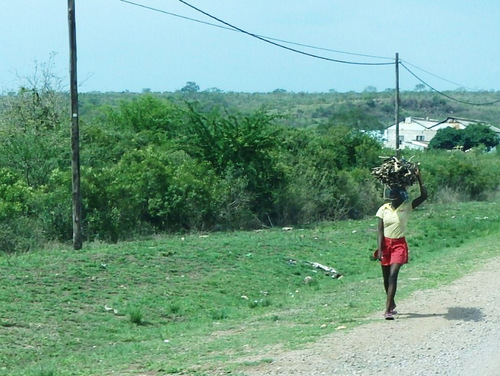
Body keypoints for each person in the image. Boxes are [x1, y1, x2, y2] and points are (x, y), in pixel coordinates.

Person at [375, 169, 427, 320]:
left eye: (395, 196)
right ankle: (392, 303)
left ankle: (387, 310)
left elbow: (424, 196)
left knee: (393, 275)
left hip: (399, 245)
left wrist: (419, 177)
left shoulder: (407, 206)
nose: (392, 199)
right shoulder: (383, 209)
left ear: (401, 196)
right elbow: (379, 230)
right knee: (386, 278)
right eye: (391, 196)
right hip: (386, 245)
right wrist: (379, 249)